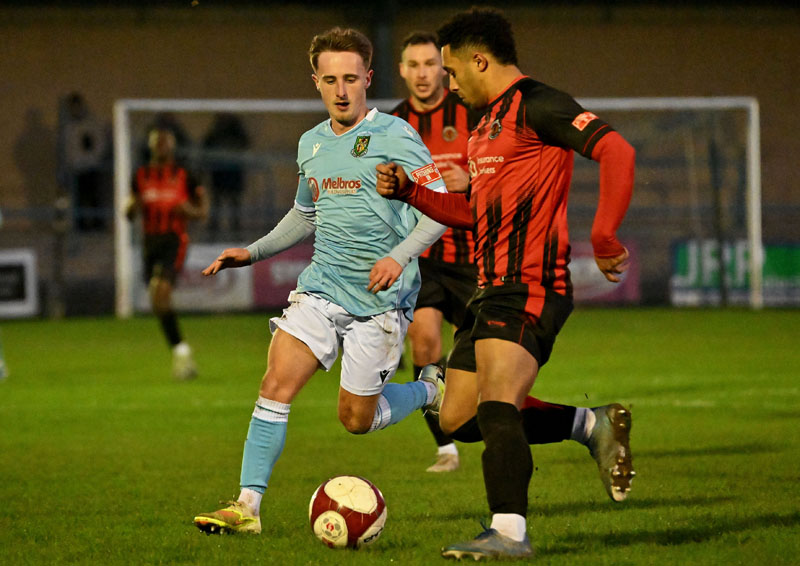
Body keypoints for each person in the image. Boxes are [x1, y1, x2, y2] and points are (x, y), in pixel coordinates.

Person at [376, 8, 636, 559]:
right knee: (459, 417)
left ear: (479, 60)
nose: (449, 84)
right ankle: (591, 425)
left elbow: (617, 149)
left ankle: (510, 533)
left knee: (496, 402)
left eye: (451, 71)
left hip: (531, 284)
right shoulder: (484, 127)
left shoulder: (537, 103)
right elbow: (475, 212)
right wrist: (411, 193)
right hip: (488, 289)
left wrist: (604, 233)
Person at [192, 27, 450, 536]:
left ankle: (428, 389)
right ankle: (247, 507)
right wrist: (252, 251)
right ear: (316, 82)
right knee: (275, 384)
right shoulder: (310, 143)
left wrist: (398, 257)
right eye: (330, 80)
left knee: (356, 419)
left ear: (368, 78)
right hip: (322, 287)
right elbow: (305, 214)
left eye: (351, 79)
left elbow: (440, 209)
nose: (341, 90)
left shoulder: (396, 135)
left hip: (380, 301)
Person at [390, 31, 478, 473]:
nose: (423, 73)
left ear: (442, 69)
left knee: (484, 354)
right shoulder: (390, 125)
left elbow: (501, 171)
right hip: (420, 258)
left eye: (430, 64)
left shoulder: (470, 112)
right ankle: (446, 448)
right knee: (423, 341)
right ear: (402, 70)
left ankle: (486, 421)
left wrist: (472, 178)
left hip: (470, 255)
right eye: (414, 65)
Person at [125, 127, 209, 380]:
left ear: (171, 146)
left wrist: (187, 211)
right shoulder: (140, 175)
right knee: (156, 300)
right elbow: (130, 211)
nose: (161, 145)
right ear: (150, 146)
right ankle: (181, 351)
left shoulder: (185, 175)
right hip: (149, 242)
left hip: (174, 240)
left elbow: (202, 211)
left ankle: (182, 354)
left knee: (161, 292)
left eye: (165, 142)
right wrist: (131, 208)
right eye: (157, 142)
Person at [203, 113, 250, 240]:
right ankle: (213, 232)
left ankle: (236, 231)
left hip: (233, 172)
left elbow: (245, 143)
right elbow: (207, 145)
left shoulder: (237, 132)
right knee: (217, 202)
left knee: (234, 202)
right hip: (219, 173)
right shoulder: (215, 132)